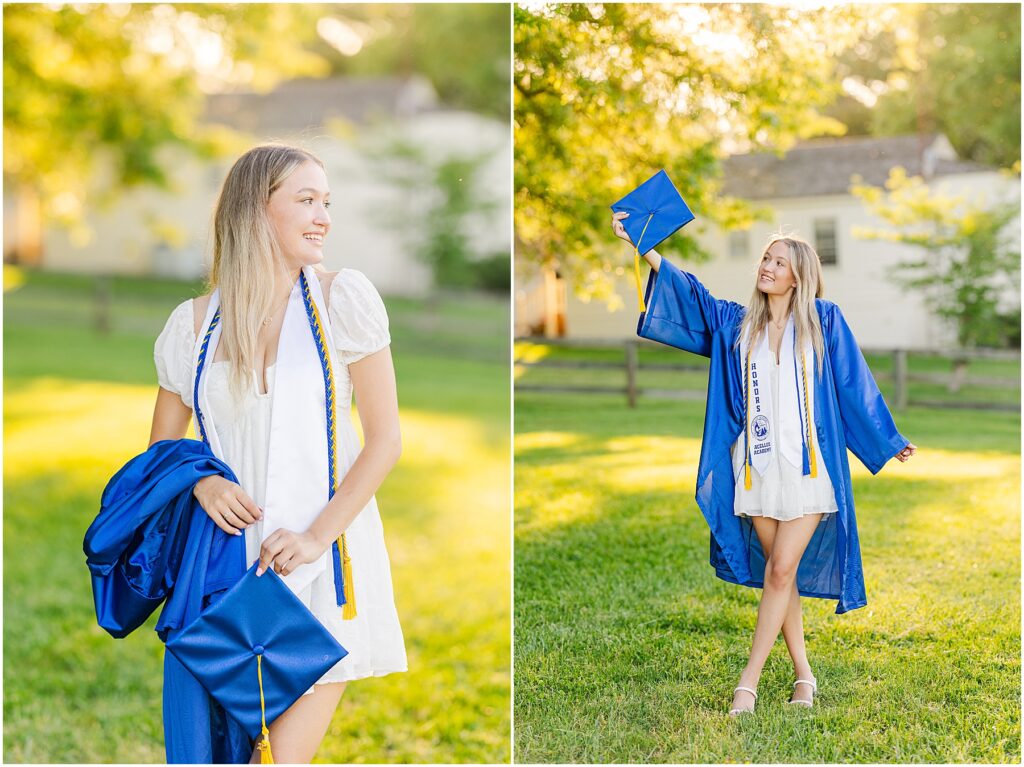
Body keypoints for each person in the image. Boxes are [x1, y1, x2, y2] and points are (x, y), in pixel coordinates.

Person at [151, 144, 407, 761]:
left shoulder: (342, 300)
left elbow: (386, 440)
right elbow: (163, 449)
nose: (324, 216)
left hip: (322, 558)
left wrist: (317, 538)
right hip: (223, 566)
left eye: (327, 202)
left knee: (282, 760)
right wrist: (202, 483)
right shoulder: (193, 325)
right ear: (254, 209)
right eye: (306, 200)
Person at [612, 212, 915, 716]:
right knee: (783, 575)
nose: (767, 266)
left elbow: (853, 384)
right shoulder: (738, 324)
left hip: (810, 472)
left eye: (779, 261)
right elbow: (690, 294)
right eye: (765, 259)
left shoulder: (825, 320)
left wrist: (887, 439)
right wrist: (642, 244)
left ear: (798, 275)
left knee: (778, 572)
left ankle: (747, 685)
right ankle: (804, 677)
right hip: (754, 468)